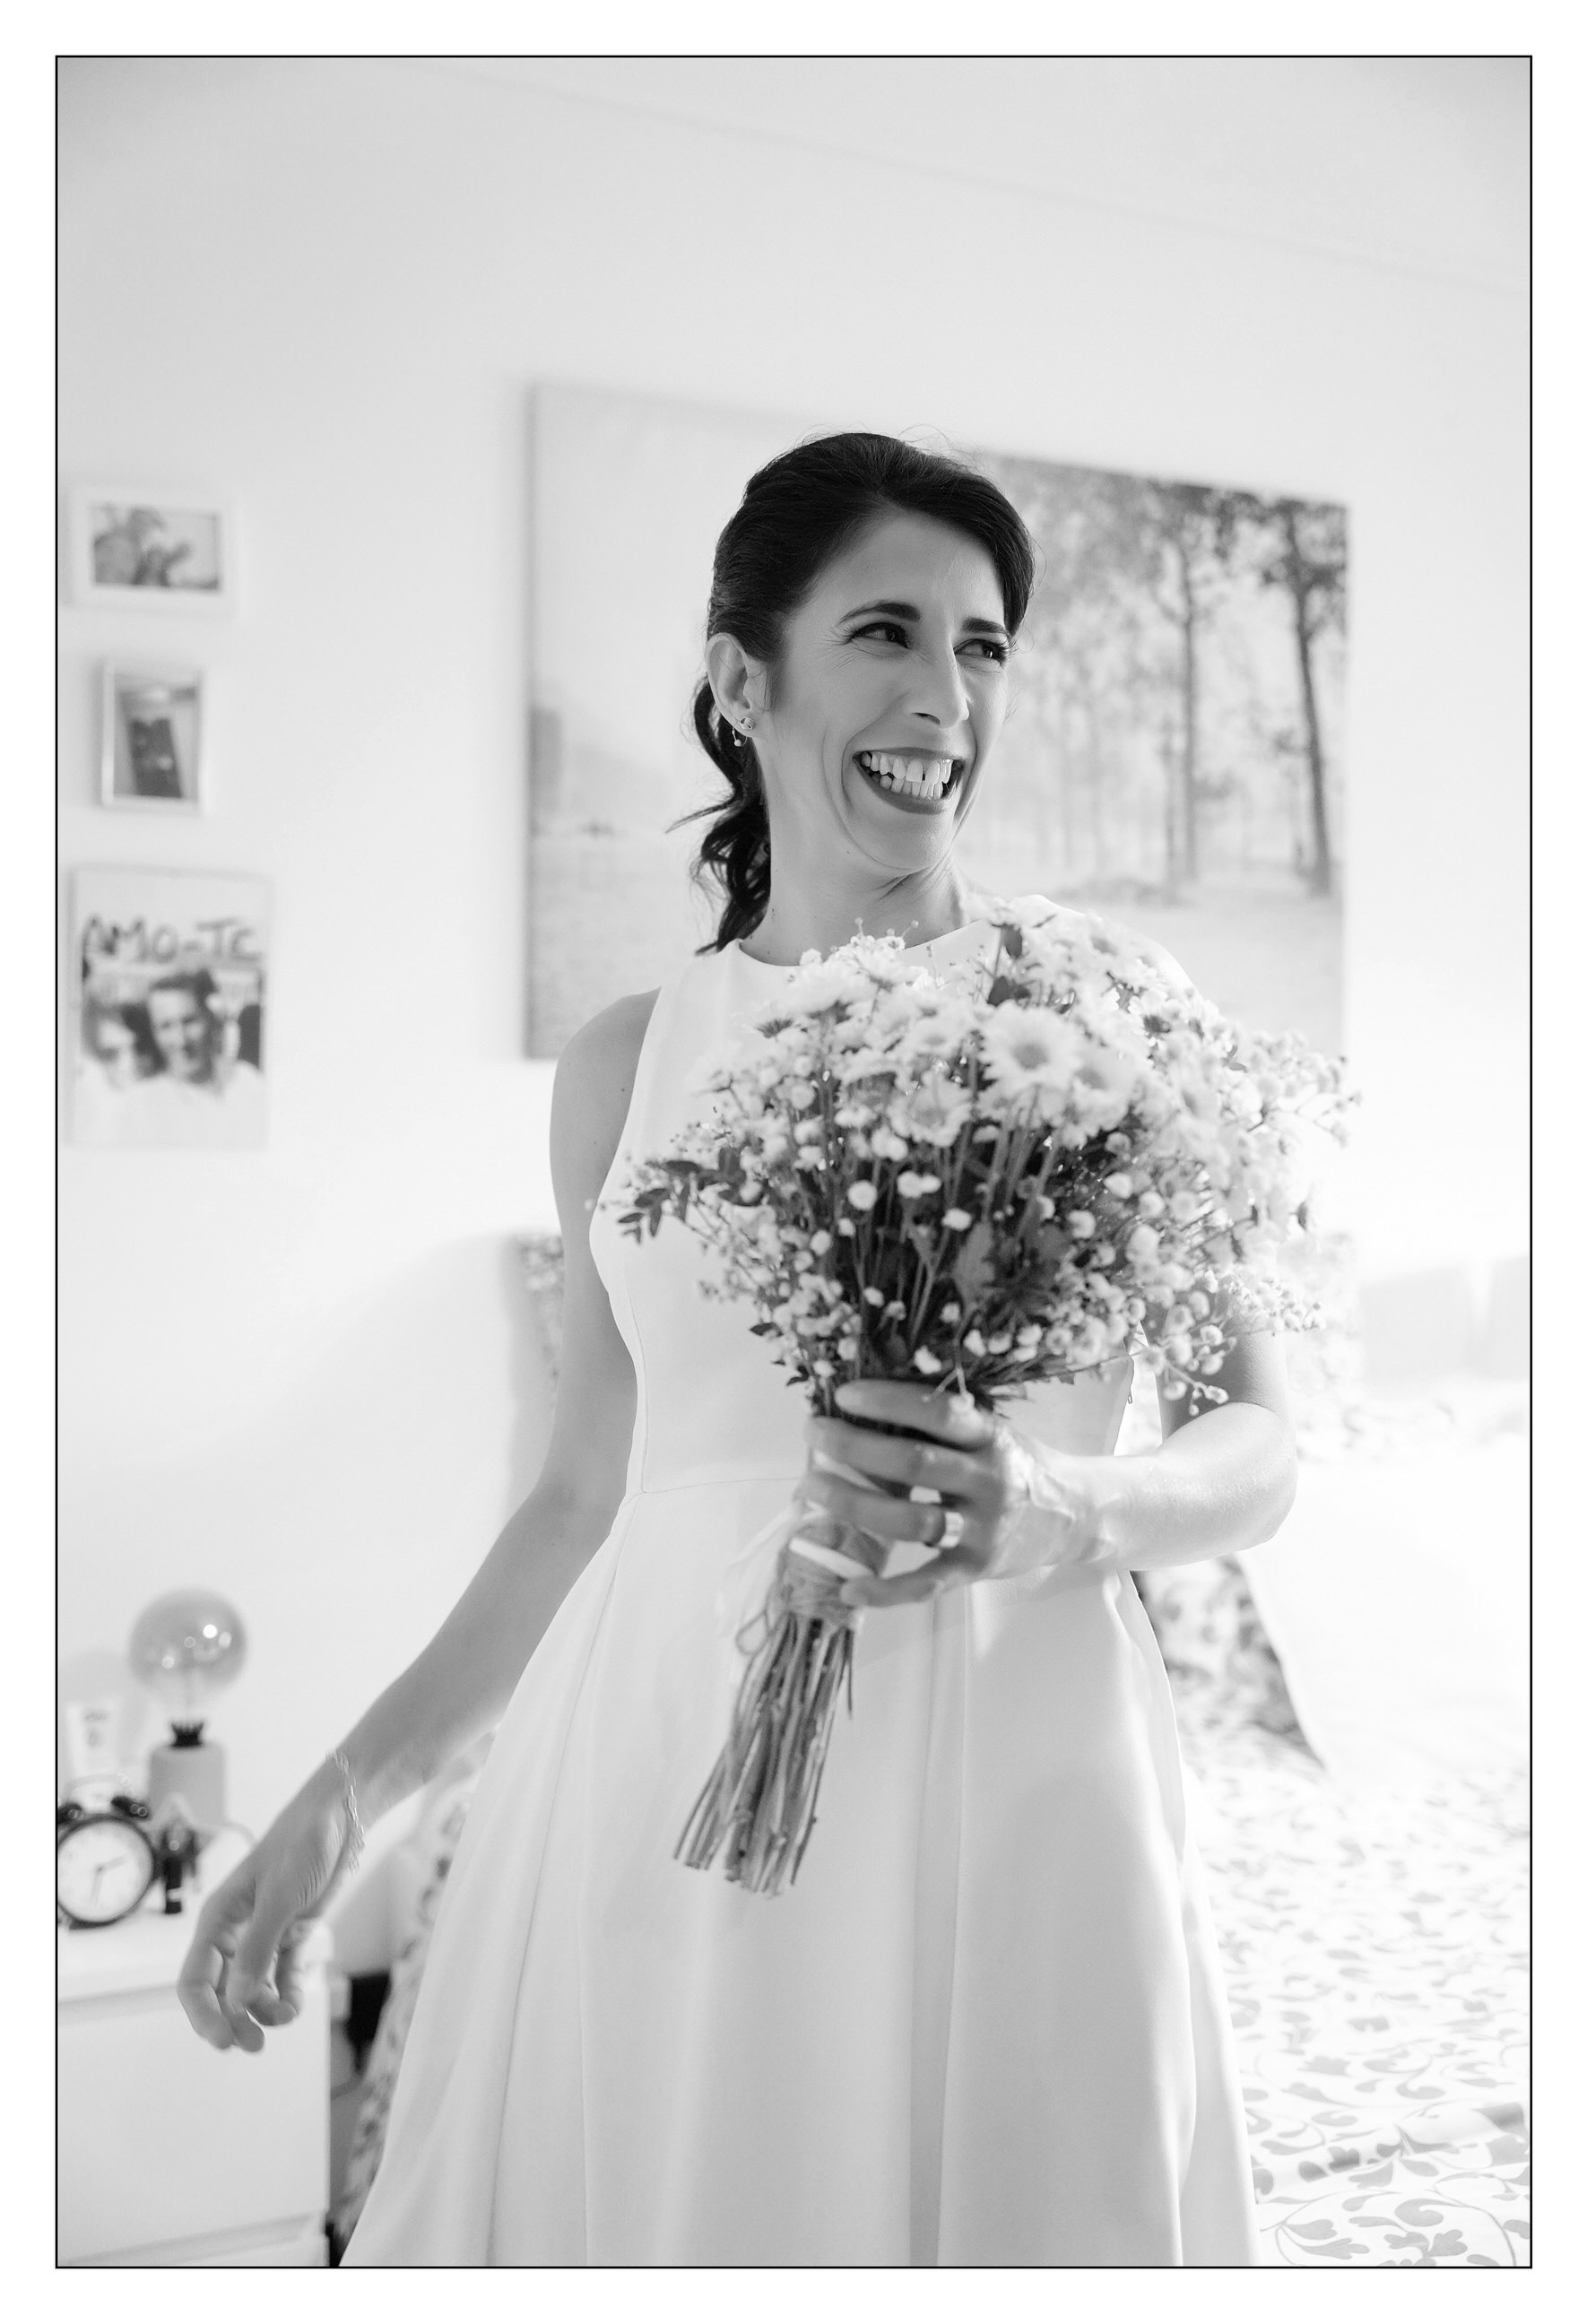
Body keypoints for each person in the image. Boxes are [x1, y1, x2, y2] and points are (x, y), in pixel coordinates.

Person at [178, 434, 1296, 2265]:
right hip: (664, 1776)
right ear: (739, 678)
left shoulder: (1114, 1011)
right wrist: (339, 1805)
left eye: (983, 646)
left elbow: (1261, 1445)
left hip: (1027, 1764)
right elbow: (580, 1501)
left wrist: (1065, 1507)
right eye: (885, 632)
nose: (946, 696)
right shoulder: (626, 1063)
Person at [117, 970, 266, 1147]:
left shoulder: (248, 1083)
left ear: (209, 1018)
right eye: (166, 1026)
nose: (181, 1040)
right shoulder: (138, 1110)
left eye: (189, 1022)